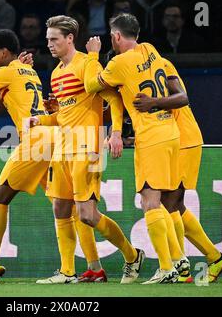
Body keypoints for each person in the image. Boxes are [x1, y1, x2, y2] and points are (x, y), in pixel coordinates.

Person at [0, 28, 109, 284]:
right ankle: (94, 267)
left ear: (4, 52)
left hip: (36, 137)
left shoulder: (6, 71)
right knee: (66, 206)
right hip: (55, 136)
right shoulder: (29, 71)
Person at [30, 15, 145, 285]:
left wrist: (116, 132)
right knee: (60, 207)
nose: (49, 44)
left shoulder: (86, 64)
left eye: (54, 39)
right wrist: (43, 119)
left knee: (88, 215)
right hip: (62, 148)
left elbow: (114, 99)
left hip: (86, 148)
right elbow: (64, 115)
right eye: (47, 40)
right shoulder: (57, 72)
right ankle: (67, 271)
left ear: (70, 38)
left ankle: (132, 255)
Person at [84, 13, 189, 284]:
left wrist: (93, 56)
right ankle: (180, 261)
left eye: (111, 35)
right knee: (166, 203)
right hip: (171, 133)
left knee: (150, 202)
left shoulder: (118, 63)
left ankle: (167, 268)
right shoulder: (150, 50)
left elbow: (91, 85)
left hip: (151, 135)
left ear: (117, 36)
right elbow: (178, 95)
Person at [133, 58, 222, 283]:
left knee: (169, 203)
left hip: (183, 139)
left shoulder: (158, 65)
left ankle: (189, 264)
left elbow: (181, 99)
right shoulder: (150, 66)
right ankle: (206, 259)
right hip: (175, 138)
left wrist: (153, 103)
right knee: (173, 204)